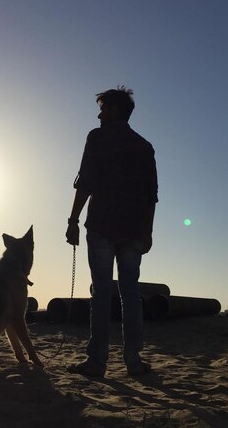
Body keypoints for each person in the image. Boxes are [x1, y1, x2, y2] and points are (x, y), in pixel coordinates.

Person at [65, 86, 158, 377]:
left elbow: (86, 182)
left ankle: (97, 362)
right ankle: (133, 361)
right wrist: (148, 232)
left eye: (104, 108)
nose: (99, 113)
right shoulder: (144, 146)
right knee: (130, 295)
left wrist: (72, 219)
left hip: (102, 226)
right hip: (132, 230)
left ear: (116, 110)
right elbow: (150, 195)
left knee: (101, 293)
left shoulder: (97, 137)